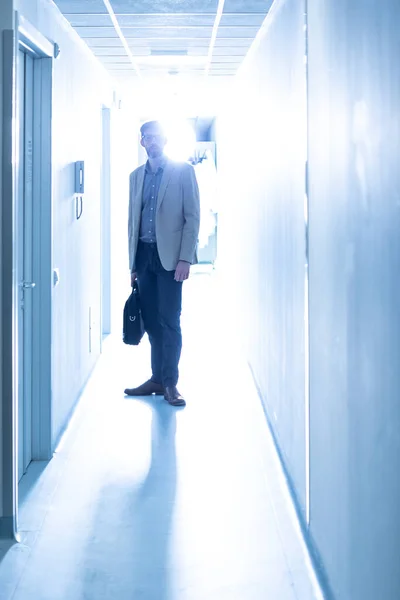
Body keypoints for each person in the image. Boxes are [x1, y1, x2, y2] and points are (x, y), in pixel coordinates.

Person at [124, 121, 200, 407]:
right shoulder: (135, 177)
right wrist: (132, 264)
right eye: (147, 137)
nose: (152, 141)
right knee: (152, 322)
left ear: (165, 140)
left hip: (170, 259)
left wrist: (185, 258)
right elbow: (132, 222)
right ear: (142, 142)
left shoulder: (183, 172)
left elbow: (192, 217)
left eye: (156, 137)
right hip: (144, 257)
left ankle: (170, 383)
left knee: (170, 320)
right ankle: (156, 378)